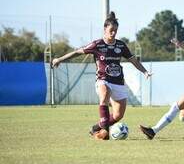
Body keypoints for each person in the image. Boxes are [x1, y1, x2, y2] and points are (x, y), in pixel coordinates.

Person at [52, 11, 152, 140]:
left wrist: (144, 71)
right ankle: (104, 131)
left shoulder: (121, 45)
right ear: (105, 29)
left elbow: (133, 60)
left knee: (118, 116)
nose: (114, 33)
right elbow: (78, 52)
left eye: (116, 30)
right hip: (103, 80)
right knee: (104, 95)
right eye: (111, 30)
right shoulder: (97, 44)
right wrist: (59, 59)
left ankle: (96, 128)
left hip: (118, 82)